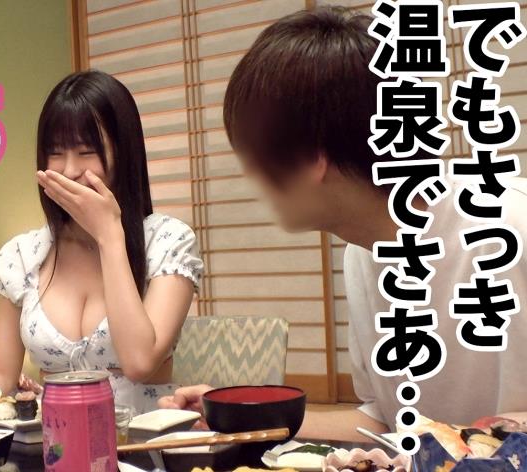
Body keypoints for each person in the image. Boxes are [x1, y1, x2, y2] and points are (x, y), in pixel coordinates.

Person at [159, 6, 527, 441]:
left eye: (253, 157)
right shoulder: (361, 254)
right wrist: (244, 417)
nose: (251, 175)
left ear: (312, 158)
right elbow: (387, 421)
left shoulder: (510, 224)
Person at [0, 70, 204, 414]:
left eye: (86, 151)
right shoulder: (23, 256)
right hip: (53, 441)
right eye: (56, 153)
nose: (69, 169)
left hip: (145, 441)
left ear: (123, 153)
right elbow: (1, 373)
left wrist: (110, 235)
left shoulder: (168, 242)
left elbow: (140, 362)